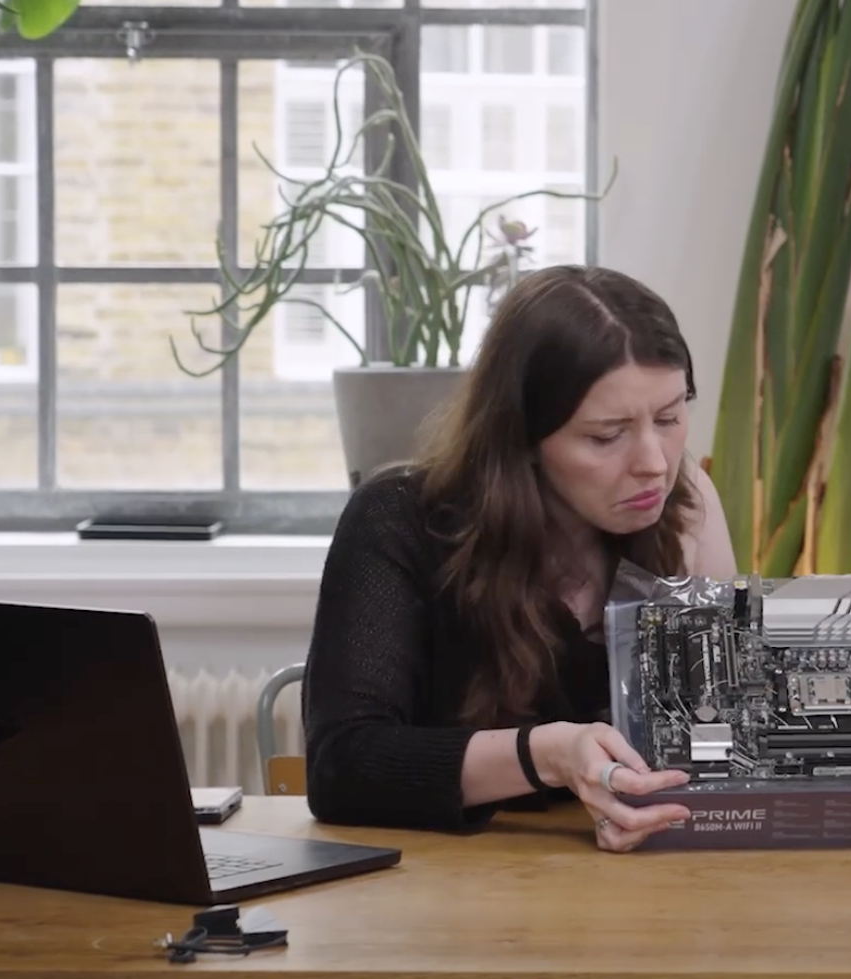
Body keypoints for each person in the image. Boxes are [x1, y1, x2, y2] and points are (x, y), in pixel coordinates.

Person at [300, 265, 738, 853]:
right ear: (522, 442)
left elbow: (731, 736)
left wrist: (841, 628)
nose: (655, 463)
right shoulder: (399, 522)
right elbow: (342, 768)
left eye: (669, 418)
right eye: (607, 436)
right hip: (440, 899)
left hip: (632, 888)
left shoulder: (685, 508)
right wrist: (548, 754)